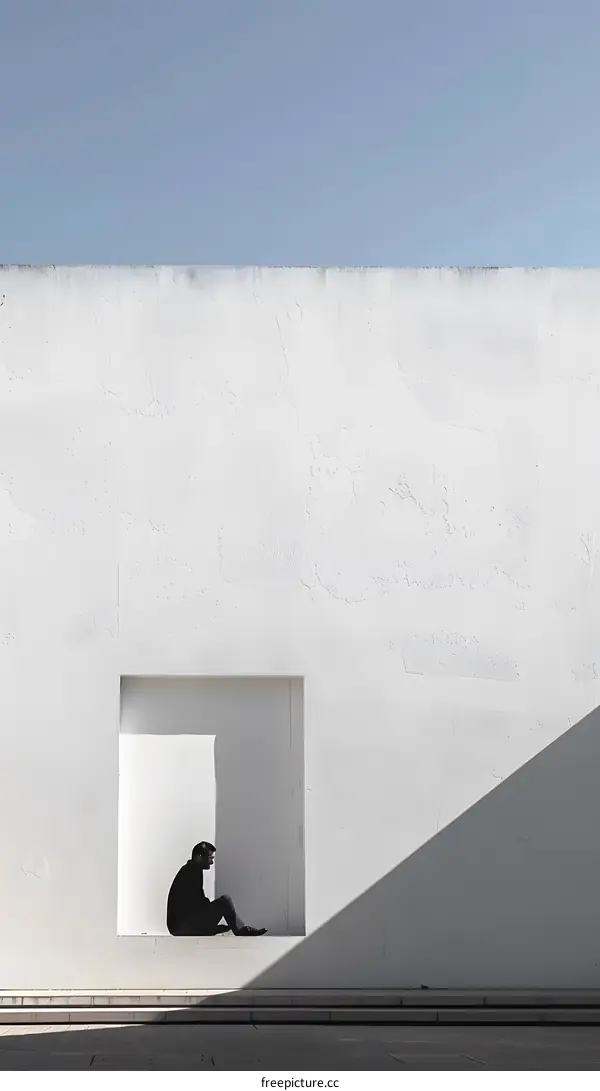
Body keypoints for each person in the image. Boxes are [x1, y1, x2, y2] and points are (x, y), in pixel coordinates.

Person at [166, 841, 267, 937]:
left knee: (223, 911)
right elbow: (196, 903)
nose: (212, 862)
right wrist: (216, 911)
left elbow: (195, 902)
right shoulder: (191, 872)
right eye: (210, 858)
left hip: (179, 926)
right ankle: (240, 930)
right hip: (181, 927)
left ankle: (236, 927)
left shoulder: (191, 869)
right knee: (225, 901)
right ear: (199, 857)